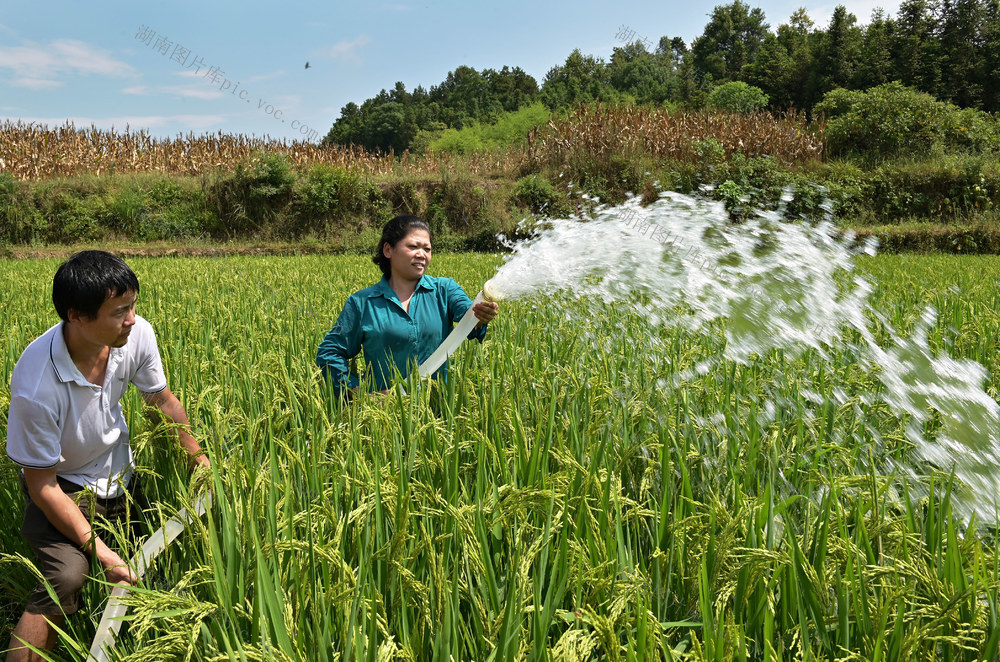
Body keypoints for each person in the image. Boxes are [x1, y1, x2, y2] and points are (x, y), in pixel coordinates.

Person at [5, 250, 210, 662]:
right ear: (76, 315)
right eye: (119, 311)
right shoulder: (37, 384)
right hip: (64, 486)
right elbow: (41, 486)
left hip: (121, 475)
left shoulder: (133, 335)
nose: (131, 319)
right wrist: (101, 553)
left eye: (132, 306)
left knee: (157, 565)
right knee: (64, 579)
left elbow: (161, 401)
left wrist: (200, 462)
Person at [316, 215, 498, 396]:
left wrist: (480, 316)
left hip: (437, 413)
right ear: (388, 250)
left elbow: (468, 315)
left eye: (427, 249)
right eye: (413, 246)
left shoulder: (445, 290)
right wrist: (360, 393)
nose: (422, 254)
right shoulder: (362, 303)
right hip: (383, 415)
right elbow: (329, 353)